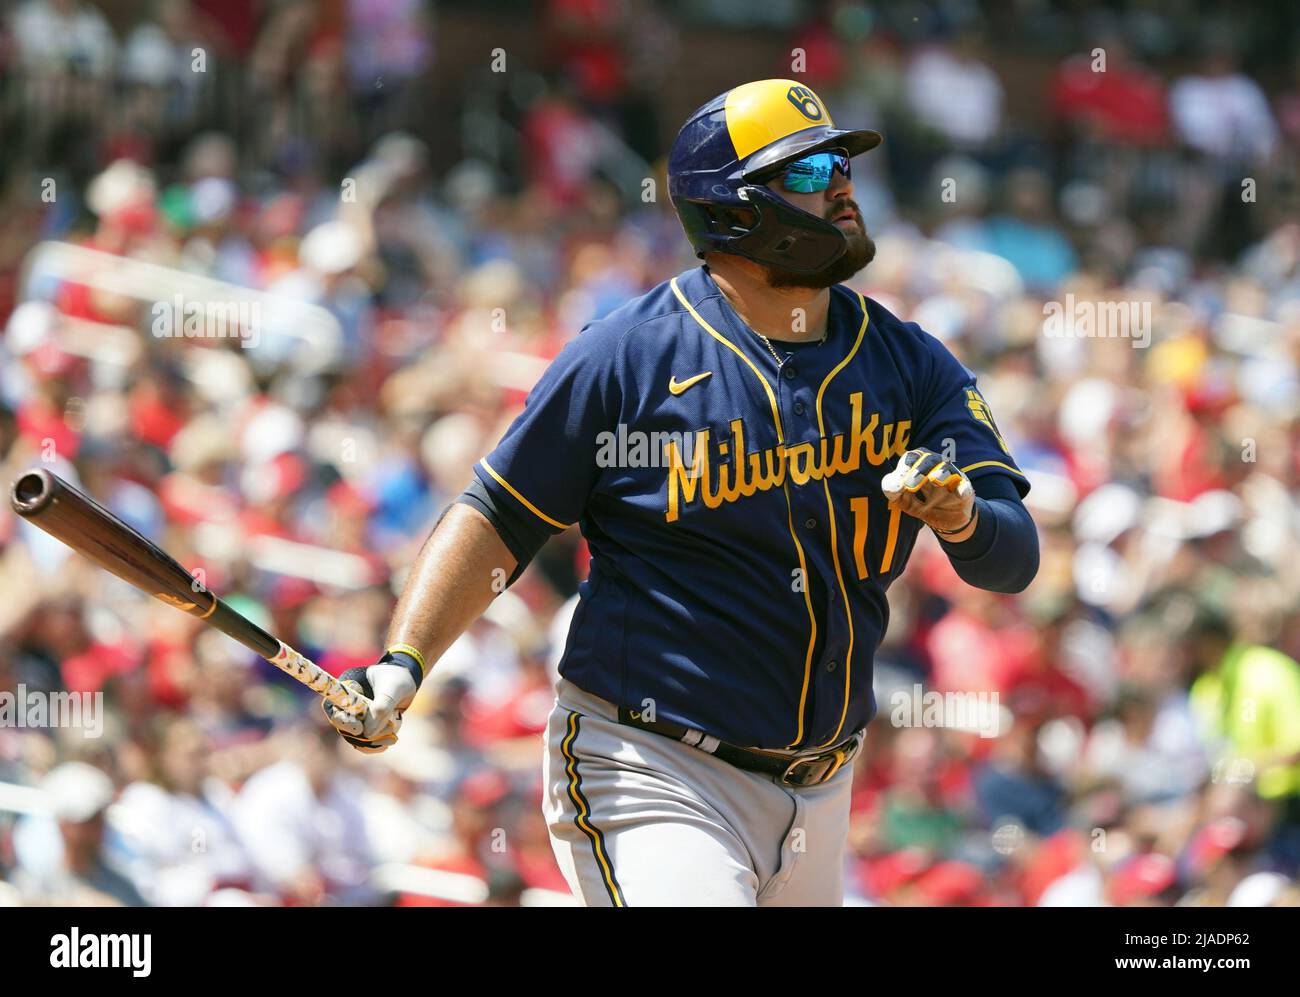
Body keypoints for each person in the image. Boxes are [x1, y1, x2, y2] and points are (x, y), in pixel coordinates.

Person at [322, 79, 1039, 906]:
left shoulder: (908, 363)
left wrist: (962, 516)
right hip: (652, 765)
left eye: (841, 163)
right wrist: (404, 662)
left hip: (825, 785)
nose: (842, 185)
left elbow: (1011, 560)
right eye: (807, 173)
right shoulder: (628, 356)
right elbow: (500, 513)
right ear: (734, 209)